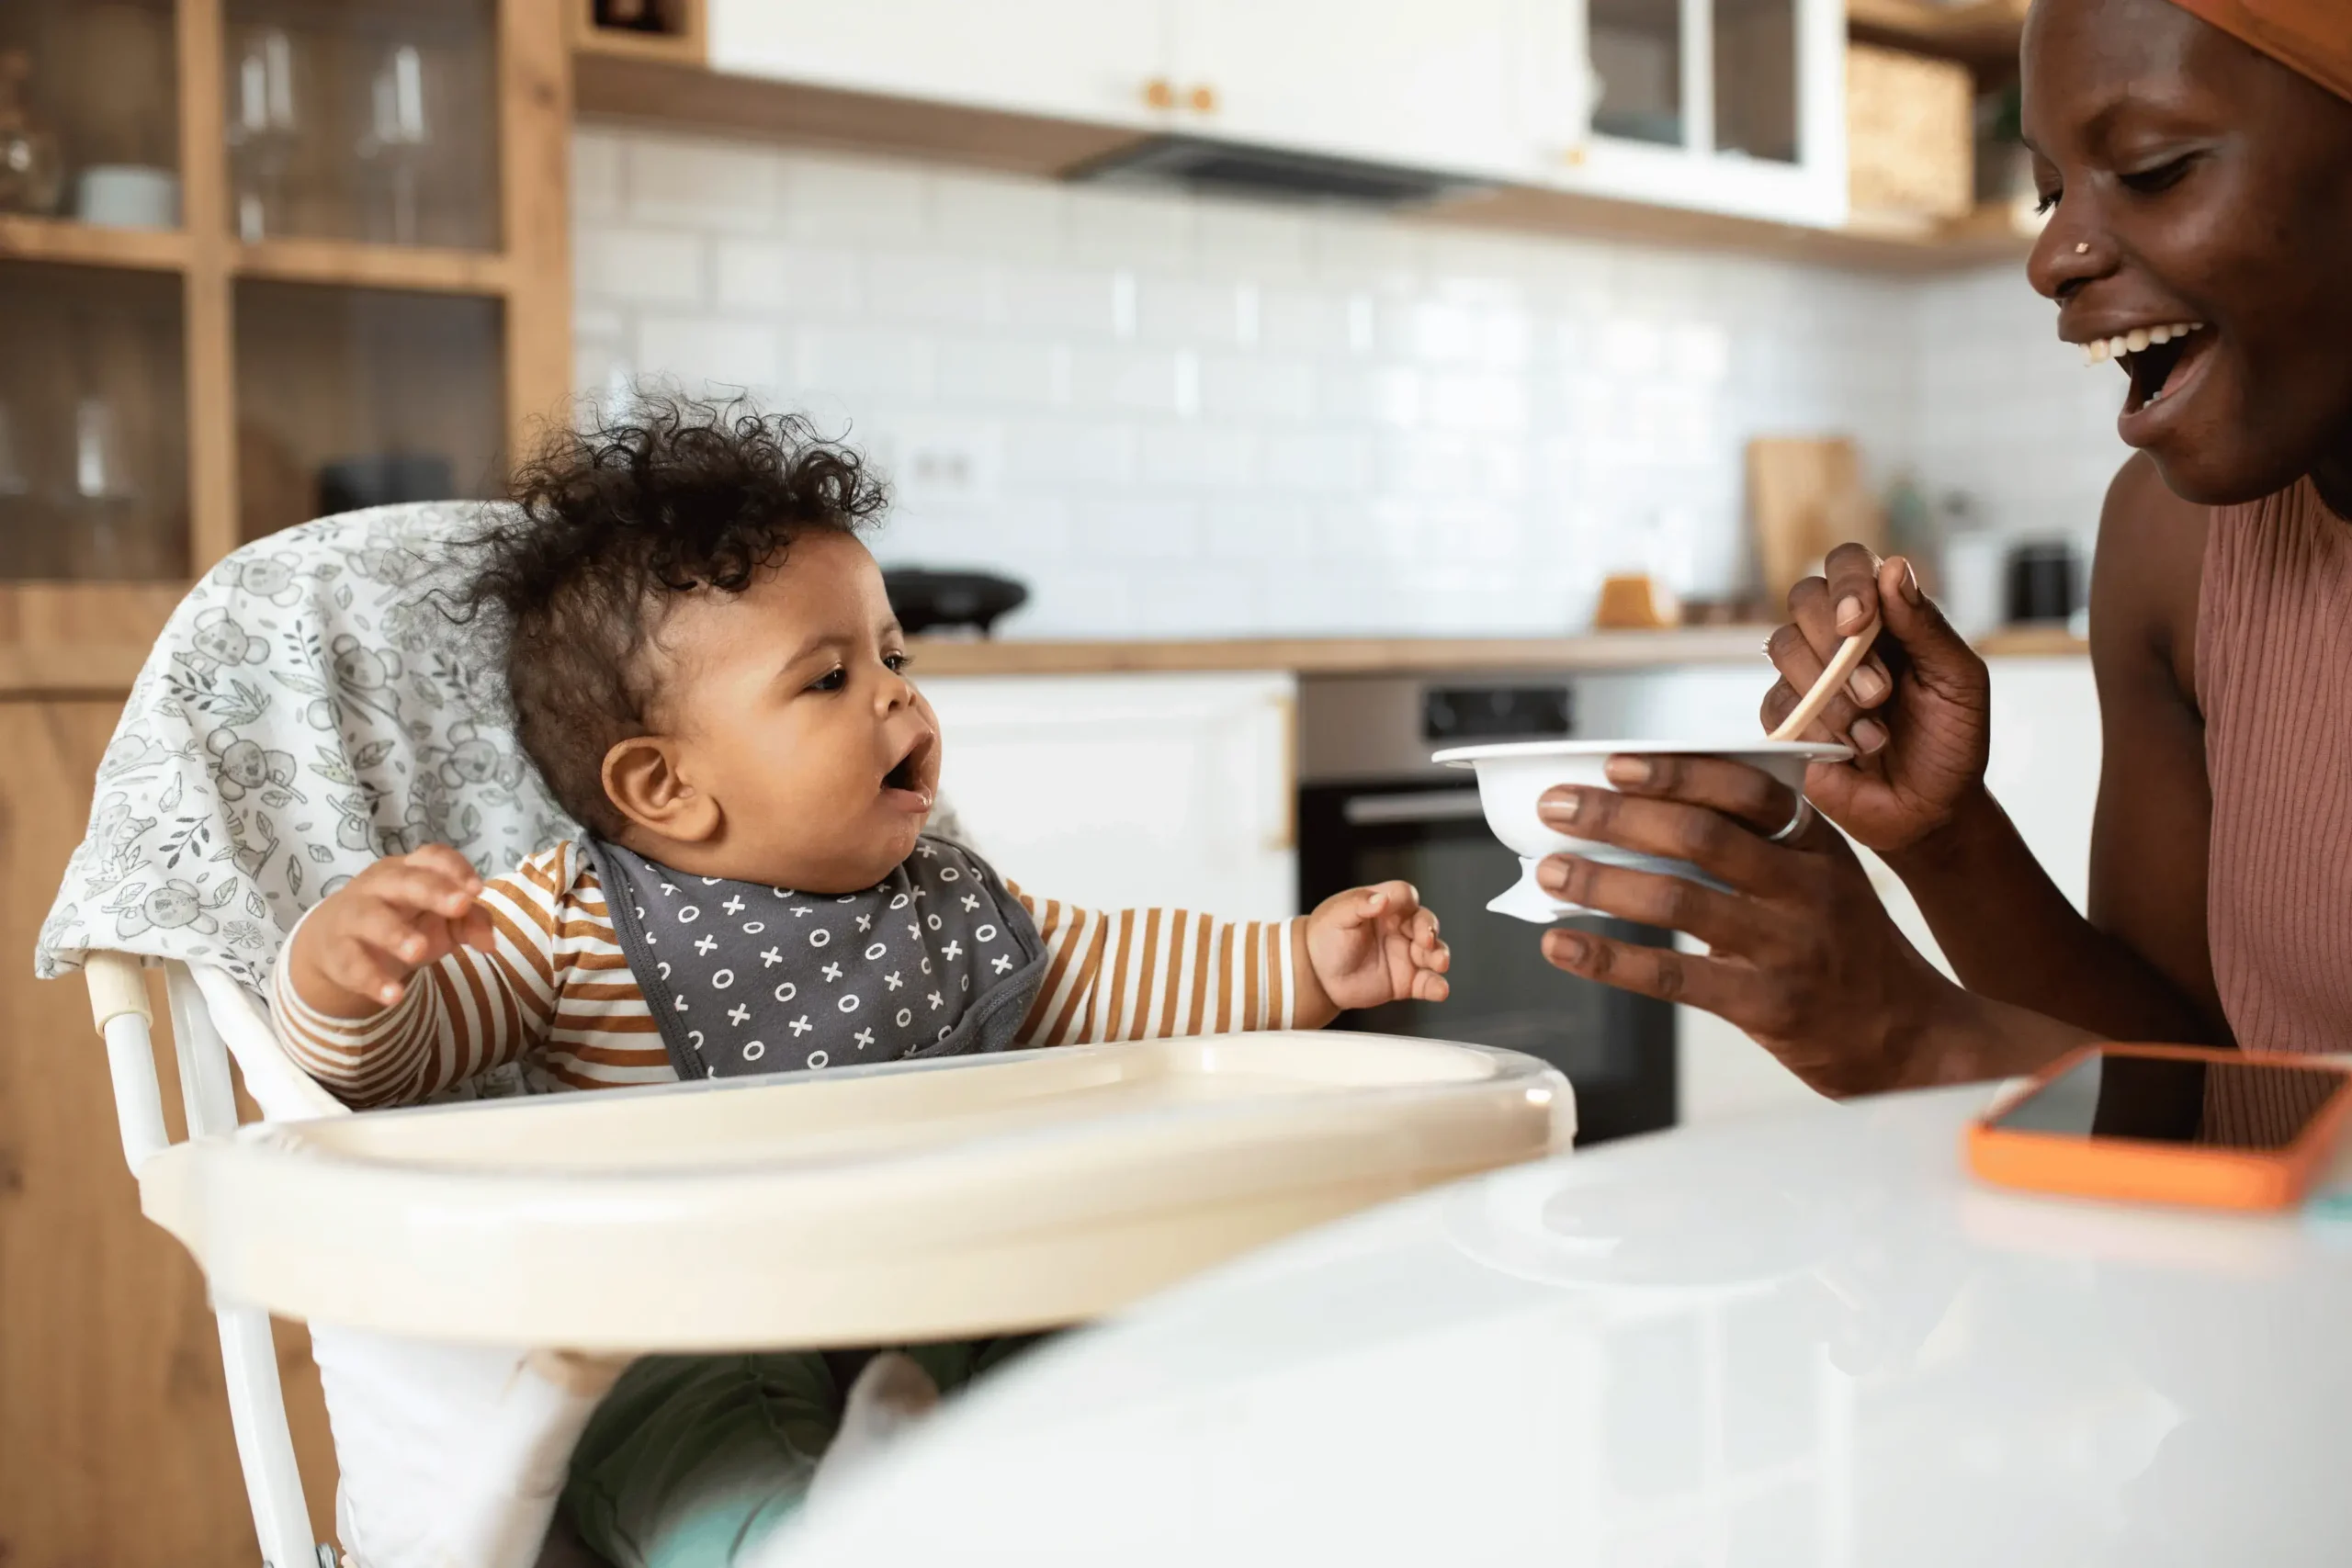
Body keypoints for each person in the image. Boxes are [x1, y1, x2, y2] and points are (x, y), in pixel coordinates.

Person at [267, 397, 1453, 1566]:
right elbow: (398, 1063)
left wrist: (1305, 961)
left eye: (894, 655)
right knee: (695, 1466)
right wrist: (349, 976)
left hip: (959, 1291)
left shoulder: (951, 904)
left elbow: (1125, 973)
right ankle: (825, 1535)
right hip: (691, 1328)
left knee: (1112, 1356)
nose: (896, 692)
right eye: (827, 679)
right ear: (664, 785)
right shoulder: (567, 921)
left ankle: (1029, 1499)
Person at [1524, 0, 2352, 1094]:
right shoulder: (2170, 544)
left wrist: (1920, 1042)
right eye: (2050, 192)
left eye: (2152, 169)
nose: (2050, 257)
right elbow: (2183, 1078)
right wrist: (1944, 838)